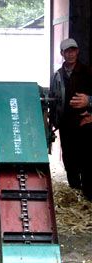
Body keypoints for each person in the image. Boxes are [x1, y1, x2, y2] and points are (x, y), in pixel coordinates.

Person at [51, 38, 92, 199]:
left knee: (87, 160)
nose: (71, 54)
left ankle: (88, 197)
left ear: (78, 51)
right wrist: (54, 121)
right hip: (66, 125)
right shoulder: (58, 76)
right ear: (62, 54)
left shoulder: (88, 72)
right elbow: (54, 99)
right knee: (69, 159)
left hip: (85, 123)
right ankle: (74, 194)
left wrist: (89, 100)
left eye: (73, 50)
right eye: (67, 51)